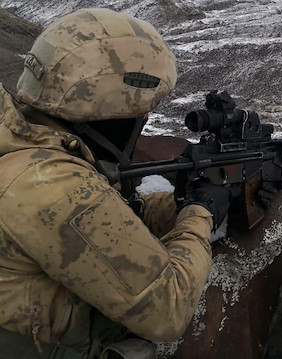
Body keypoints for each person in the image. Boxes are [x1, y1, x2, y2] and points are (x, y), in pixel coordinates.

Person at [0, 8, 232, 358]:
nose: (144, 118)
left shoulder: (26, 143)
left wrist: (181, 200)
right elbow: (169, 309)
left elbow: (107, 222)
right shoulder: (55, 187)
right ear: (103, 109)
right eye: (140, 112)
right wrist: (201, 212)